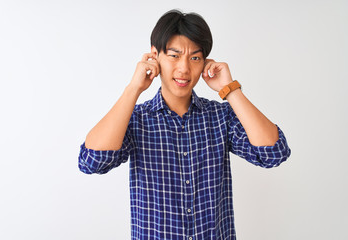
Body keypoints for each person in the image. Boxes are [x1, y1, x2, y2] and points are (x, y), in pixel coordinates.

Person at [78, 9, 291, 240]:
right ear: (154, 55)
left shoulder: (220, 117)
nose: (184, 69)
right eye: (174, 55)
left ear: (205, 62)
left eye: (195, 58)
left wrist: (229, 89)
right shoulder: (136, 119)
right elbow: (91, 162)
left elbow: (274, 153)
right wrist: (133, 89)